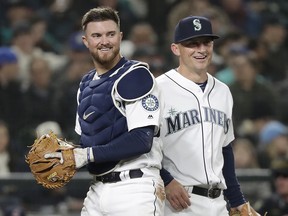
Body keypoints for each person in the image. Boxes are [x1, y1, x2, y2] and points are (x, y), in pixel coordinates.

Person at [45, 6, 165, 216]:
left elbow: (141, 140)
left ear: (120, 37)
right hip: (97, 189)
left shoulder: (136, 76)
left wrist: (86, 155)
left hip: (136, 188)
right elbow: (89, 140)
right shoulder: (85, 84)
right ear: (86, 41)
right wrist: (65, 156)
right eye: (97, 35)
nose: (104, 41)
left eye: (110, 34)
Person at [156, 15, 261, 215]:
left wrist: (237, 199)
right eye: (192, 44)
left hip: (218, 202)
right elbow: (145, 147)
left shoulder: (223, 91)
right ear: (176, 49)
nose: (201, 49)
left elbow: (225, 149)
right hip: (178, 202)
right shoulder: (159, 88)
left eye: (206, 43)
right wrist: (166, 180)